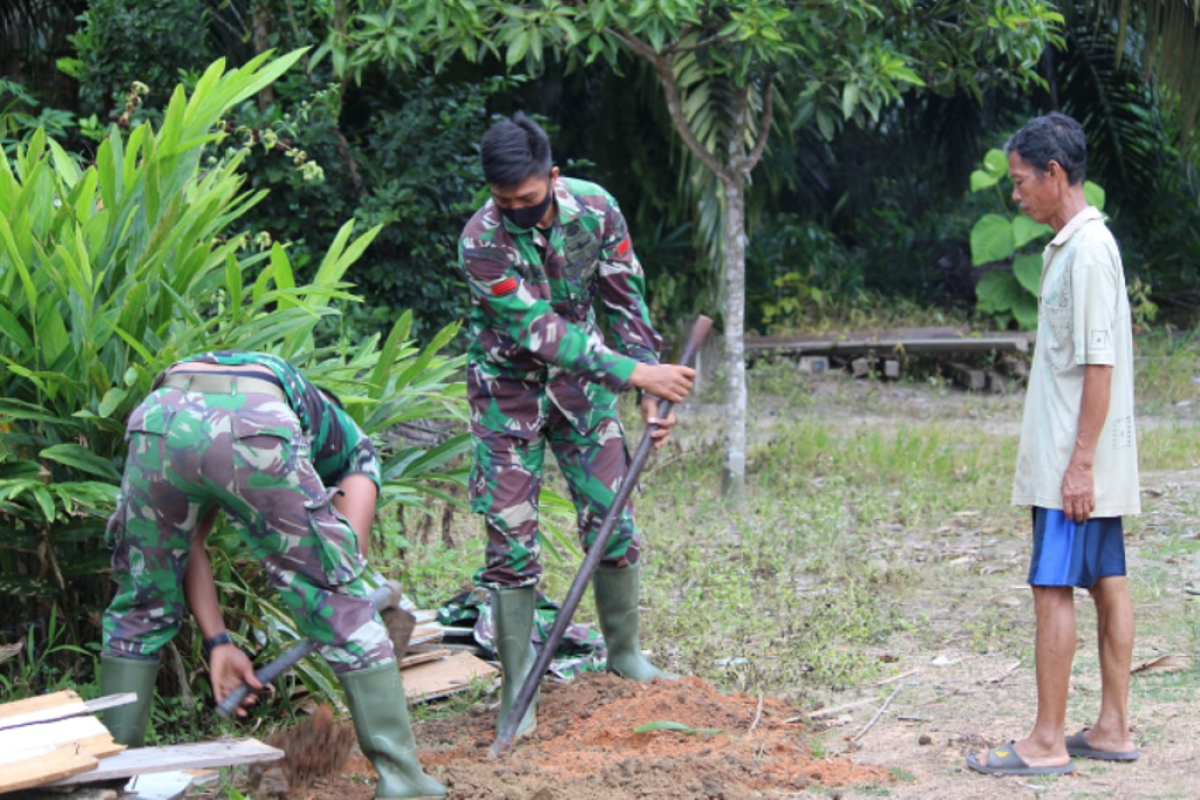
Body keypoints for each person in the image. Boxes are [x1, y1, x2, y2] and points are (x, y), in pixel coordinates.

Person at [99, 351, 446, 800]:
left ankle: (105, 783)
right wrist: (346, 591)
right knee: (343, 606)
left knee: (140, 607)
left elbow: (191, 545)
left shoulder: (264, 380)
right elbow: (347, 563)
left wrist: (218, 642)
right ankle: (404, 782)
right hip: (253, 423)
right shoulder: (348, 442)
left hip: (159, 418)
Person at [458, 113, 696, 738]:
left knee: (611, 512)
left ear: (553, 178)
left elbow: (624, 298)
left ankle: (625, 655)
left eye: (527, 199)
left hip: (583, 391)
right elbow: (540, 331)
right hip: (505, 395)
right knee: (510, 538)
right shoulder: (480, 242)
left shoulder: (596, 209)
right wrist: (636, 376)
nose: (514, 210)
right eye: (502, 201)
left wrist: (649, 384)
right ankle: (518, 686)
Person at [967, 112, 1141, 776]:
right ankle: (1113, 728)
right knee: (1108, 578)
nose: (1015, 195)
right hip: (1086, 458)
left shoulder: (1089, 253)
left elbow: (1099, 364)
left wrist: (1079, 464)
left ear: (1054, 174)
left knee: (1052, 587)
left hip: (1074, 461)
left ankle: (1045, 741)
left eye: (1019, 182)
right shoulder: (1076, 247)